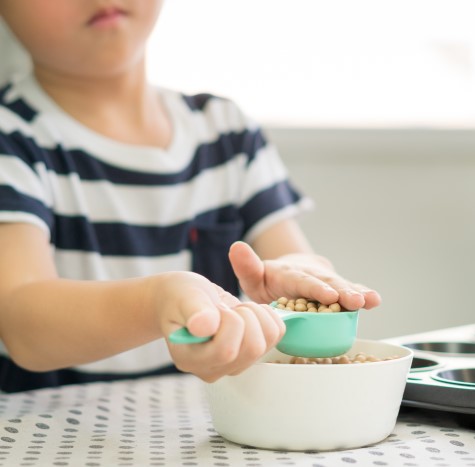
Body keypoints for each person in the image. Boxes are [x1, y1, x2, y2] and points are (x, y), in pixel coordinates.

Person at [0, 0, 381, 393]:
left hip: (204, 430)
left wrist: (305, 276)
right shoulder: (10, 140)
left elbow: (288, 256)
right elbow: (23, 326)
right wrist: (154, 303)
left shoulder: (225, 131)